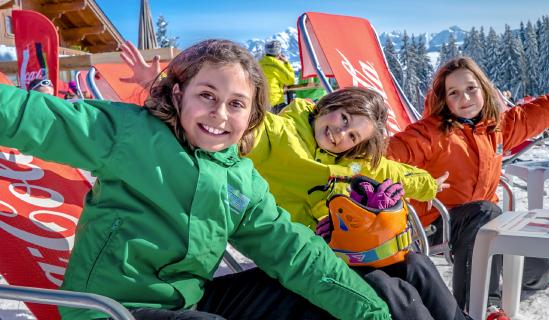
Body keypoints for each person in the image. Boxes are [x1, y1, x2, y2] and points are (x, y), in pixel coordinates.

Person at [0, 39, 392, 320]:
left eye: (236, 104)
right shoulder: (131, 135)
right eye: (207, 95)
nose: (220, 114)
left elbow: (294, 253)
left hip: (185, 302)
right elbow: (33, 118)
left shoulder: (241, 179)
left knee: (310, 300)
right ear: (178, 94)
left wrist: (373, 313)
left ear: (252, 115)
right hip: (113, 308)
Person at [119, 44, 469, 320]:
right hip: (300, 258)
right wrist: (162, 85)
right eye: (343, 117)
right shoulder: (277, 134)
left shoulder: (349, 162)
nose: (340, 132)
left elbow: (391, 171)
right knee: (385, 287)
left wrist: (427, 184)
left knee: (414, 265)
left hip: (338, 251)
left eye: (352, 135)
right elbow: (226, 117)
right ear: (329, 104)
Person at [387, 57, 549, 317]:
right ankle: (481, 305)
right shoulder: (429, 133)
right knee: (486, 213)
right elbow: (389, 153)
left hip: (486, 222)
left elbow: (534, 114)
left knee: (537, 263)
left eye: (471, 88)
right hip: (437, 223)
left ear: (483, 89)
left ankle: (545, 270)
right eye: (454, 93)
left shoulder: (495, 128)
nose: (465, 98)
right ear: (443, 99)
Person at [259, 40, 295, 113]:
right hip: (275, 103)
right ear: (279, 53)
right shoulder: (276, 65)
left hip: (261, 103)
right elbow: (290, 80)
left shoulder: (260, 63)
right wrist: (286, 63)